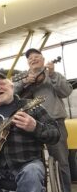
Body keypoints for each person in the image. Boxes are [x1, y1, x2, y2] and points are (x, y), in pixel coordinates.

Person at [0, 72, 60, 192]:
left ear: (12, 87)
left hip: (27, 164)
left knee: (32, 171)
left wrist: (35, 127)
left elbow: (56, 134)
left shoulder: (30, 106)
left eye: (1, 83)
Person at [14, 48, 73, 192]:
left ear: (43, 59)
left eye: (36, 56)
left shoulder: (53, 75)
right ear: (27, 62)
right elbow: (11, 92)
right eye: (30, 58)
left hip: (54, 122)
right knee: (33, 162)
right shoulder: (22, 76)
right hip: (29, 125)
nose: (33, 59)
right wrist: (25, 82)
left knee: (62, 161)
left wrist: (52, 75)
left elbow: (66, 91)